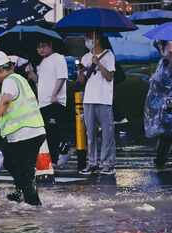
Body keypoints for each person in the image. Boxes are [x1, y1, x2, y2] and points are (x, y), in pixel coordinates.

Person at [0, 51, 46, 206]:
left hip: (25, 133)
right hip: (30, 132)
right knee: (12, 162)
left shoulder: (10, 80)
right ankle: (21, 192)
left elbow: (5, 101)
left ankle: (33, 205)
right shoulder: (19, 79)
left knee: (24, 170)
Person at [76, 32, 116, 176]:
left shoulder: (108, 55)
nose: (87, 41)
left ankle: (108, 164)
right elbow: (81, 81)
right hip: (89, 99)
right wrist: (80, 71)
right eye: (86, 38)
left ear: (97, 40)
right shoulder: (85, 57)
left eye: (89, 38)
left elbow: (110, 76)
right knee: (90, 134)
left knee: (107, 133)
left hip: (104, 99)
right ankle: (92, 163)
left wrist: (98, 63)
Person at [25, 40, 69, 165]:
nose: (41, 50)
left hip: (54, 102)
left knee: (54, 130)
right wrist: (32, 73)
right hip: (43, 103)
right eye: (38, 48)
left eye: (43, 46)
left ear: (50, 45)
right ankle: (53, 159)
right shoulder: (42, 62)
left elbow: (62, 77)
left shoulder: (58, 58)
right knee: (48, 132)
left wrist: (54, 94)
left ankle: (63, 151)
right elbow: (39, 82)